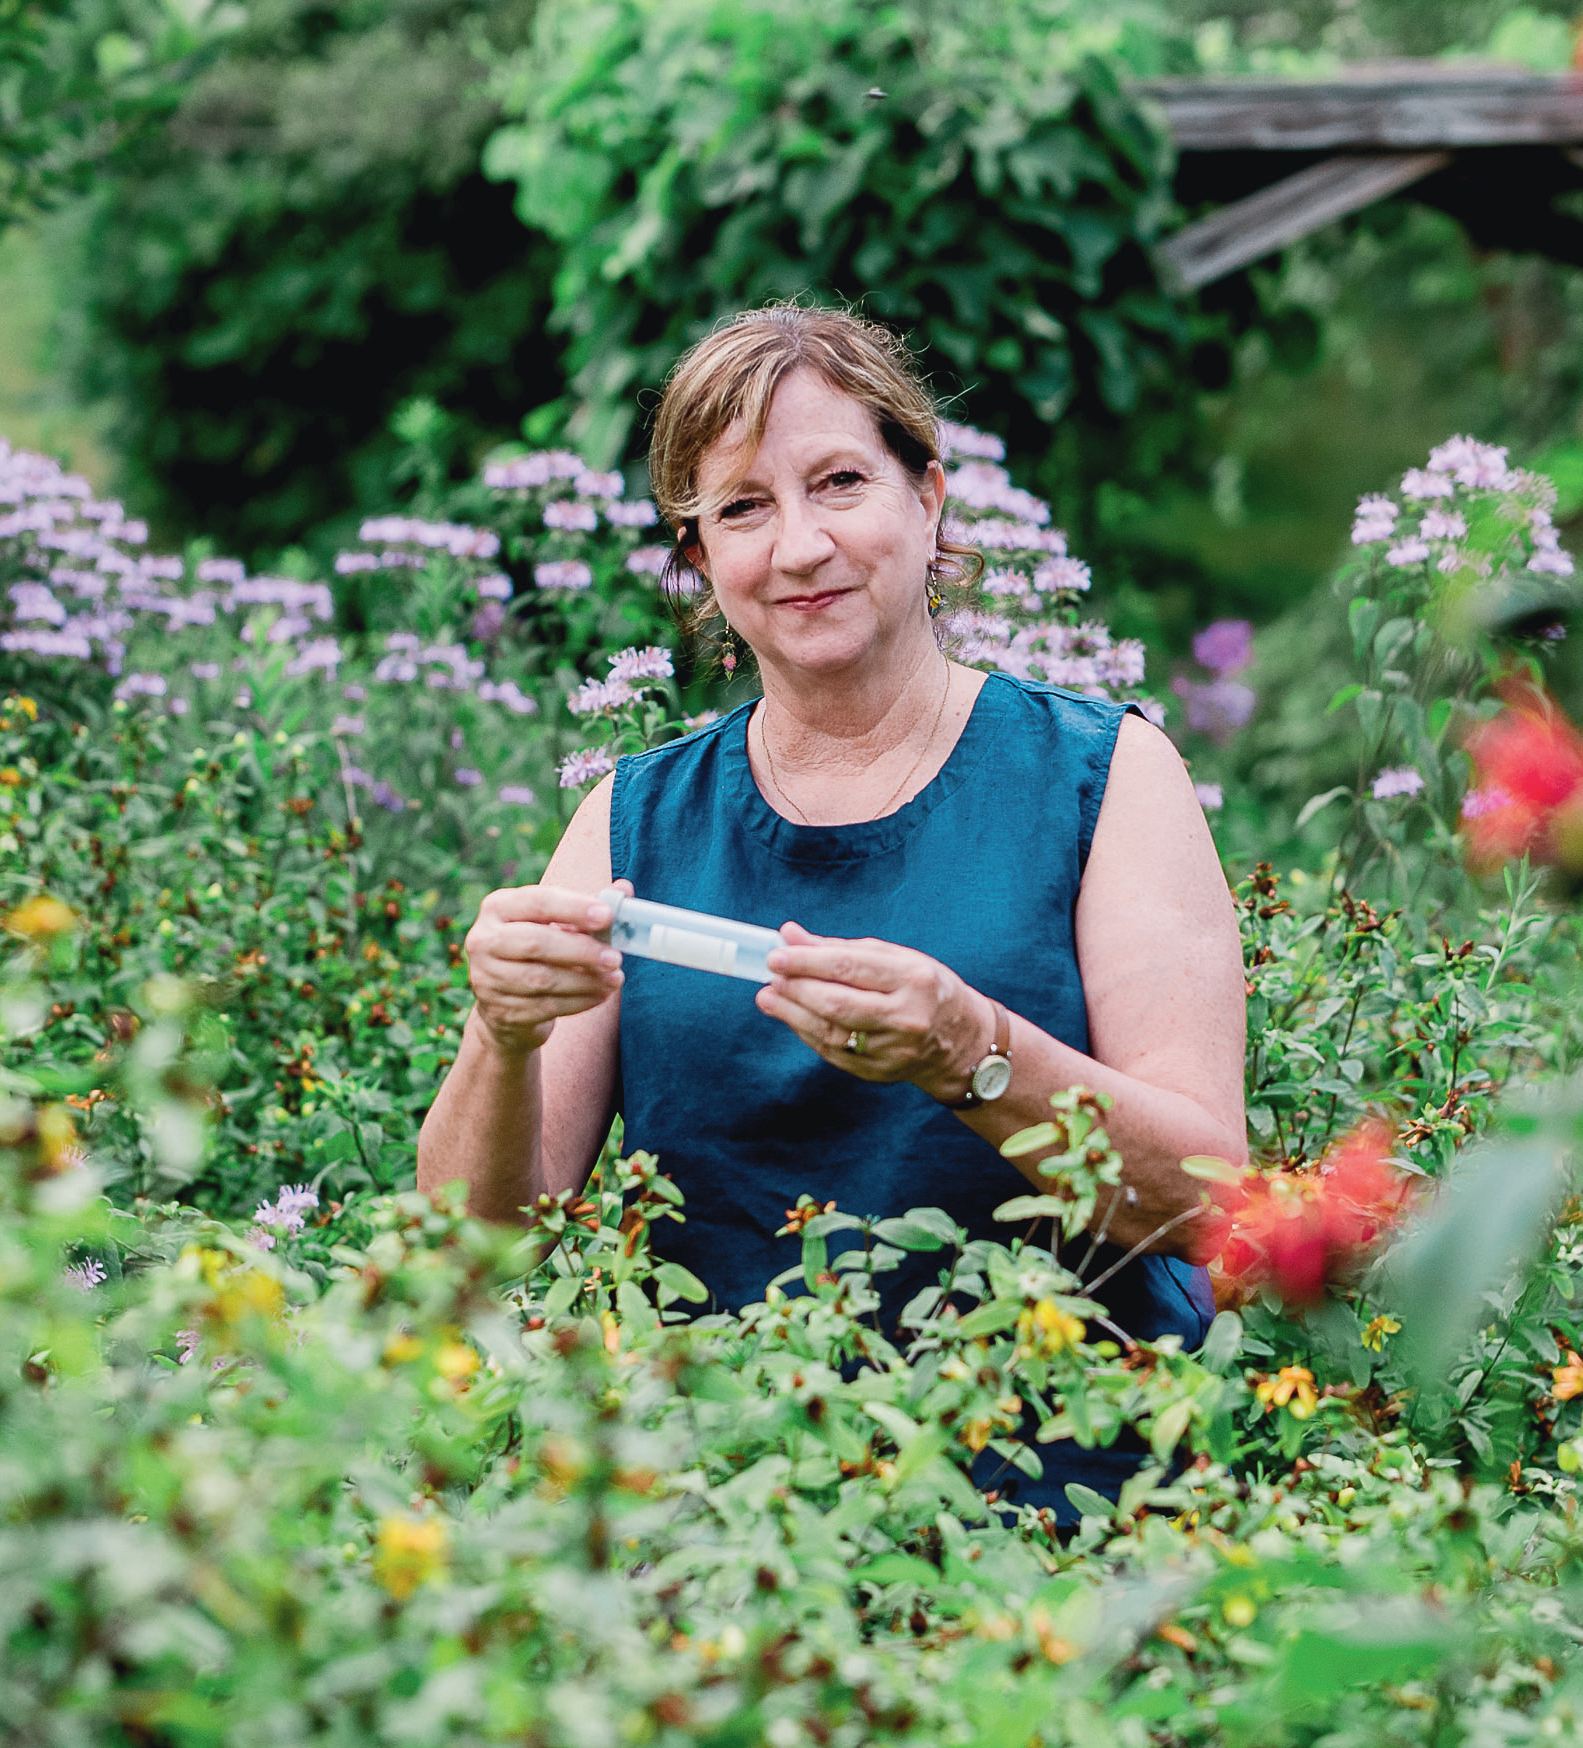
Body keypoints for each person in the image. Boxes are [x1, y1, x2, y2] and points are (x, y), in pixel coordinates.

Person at [416, 307, 1249, 1512]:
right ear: (698, 561)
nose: (799, 545)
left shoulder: (1106, 777)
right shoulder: (630, 823)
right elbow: (467, 1263)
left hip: (1065, 1514)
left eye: (840, 481)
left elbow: (1215, 1201)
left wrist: (974, 1054)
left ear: (929, 500)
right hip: (728, 1529)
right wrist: (501, 1032)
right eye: (742, 508)